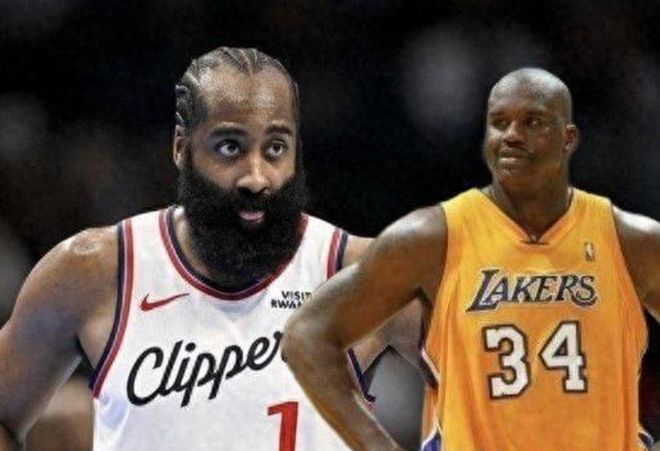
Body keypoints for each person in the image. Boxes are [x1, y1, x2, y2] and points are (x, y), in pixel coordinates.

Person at [0, 47, 419, 451]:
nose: (256, 176)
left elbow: (464, 399)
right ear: (181, 148)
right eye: (230, 147)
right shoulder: (95, 271)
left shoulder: (363, 274)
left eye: (275, 148)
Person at [283, 68, 660, 451]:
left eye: (533, 122)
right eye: (499, 123)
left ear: (568, 138)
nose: (512, 135)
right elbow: (306, 335)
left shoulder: (630, 241)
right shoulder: (432, 238)